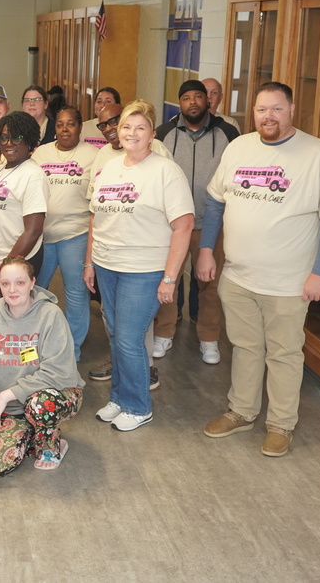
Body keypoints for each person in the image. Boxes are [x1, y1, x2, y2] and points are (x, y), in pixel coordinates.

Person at [198, 82, 320, 457]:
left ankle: (281, 425)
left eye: (276, 109)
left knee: (283, 354)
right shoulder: (239, 148)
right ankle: (242, 412)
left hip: (289, 282)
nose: (268, 116)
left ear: (292, 110)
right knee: (245, 348)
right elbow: (216, 201)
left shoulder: (319, 154)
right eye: (262, 109)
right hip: (237, 277)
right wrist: (206, 249)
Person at [84, 99, 194, 432]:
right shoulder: (111, 166)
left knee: (130, 339)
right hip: (107, 265)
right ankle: (119, 397)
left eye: (140, 127)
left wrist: (170, 278)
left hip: (143, 269)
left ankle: (138, 405)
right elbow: (95, 217)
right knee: (117, 335)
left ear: (152, 134)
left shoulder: (165, 170)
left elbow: (184, 225)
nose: (132, 133)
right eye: (126, 127)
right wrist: (89, 262)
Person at [0, 256, 85, 476]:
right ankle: (35, 432)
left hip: (55, 396)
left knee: (40, 405)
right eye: (5, 283)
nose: (12, 290)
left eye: (20, 282)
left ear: (32, 282)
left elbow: (57, 372)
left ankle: (51, 446)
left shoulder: (51, 315)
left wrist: (6, 394)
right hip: (13, 408)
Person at [154, 79, 240, 364]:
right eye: (187, 97)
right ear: (180, 103)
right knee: (169, 281)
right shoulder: (164, 133)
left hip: (211, 223)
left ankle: (209, 338)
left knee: (209, 284)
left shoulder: (228, 133)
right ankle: (164, 334)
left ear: (208, 101)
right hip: (173, 225)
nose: (193, 102)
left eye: (198, 97)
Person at [31, 106, 96, 361]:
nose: (65, 129)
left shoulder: (93, 155)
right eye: (60, 124)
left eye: (71, 124)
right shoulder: (41, 154)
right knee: (35, 290)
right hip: (42, 236)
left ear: (80, 127)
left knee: (76, 293)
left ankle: (72, 348)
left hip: (75, 234)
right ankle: (34, 343)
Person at [0, 111, 48, 306]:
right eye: (4, 137)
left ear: (29, 140)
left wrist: (6, 268)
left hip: (19, 261)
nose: (8, 143)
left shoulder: (33, 175)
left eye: (16, 137)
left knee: (15, 317)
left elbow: (33, 231)